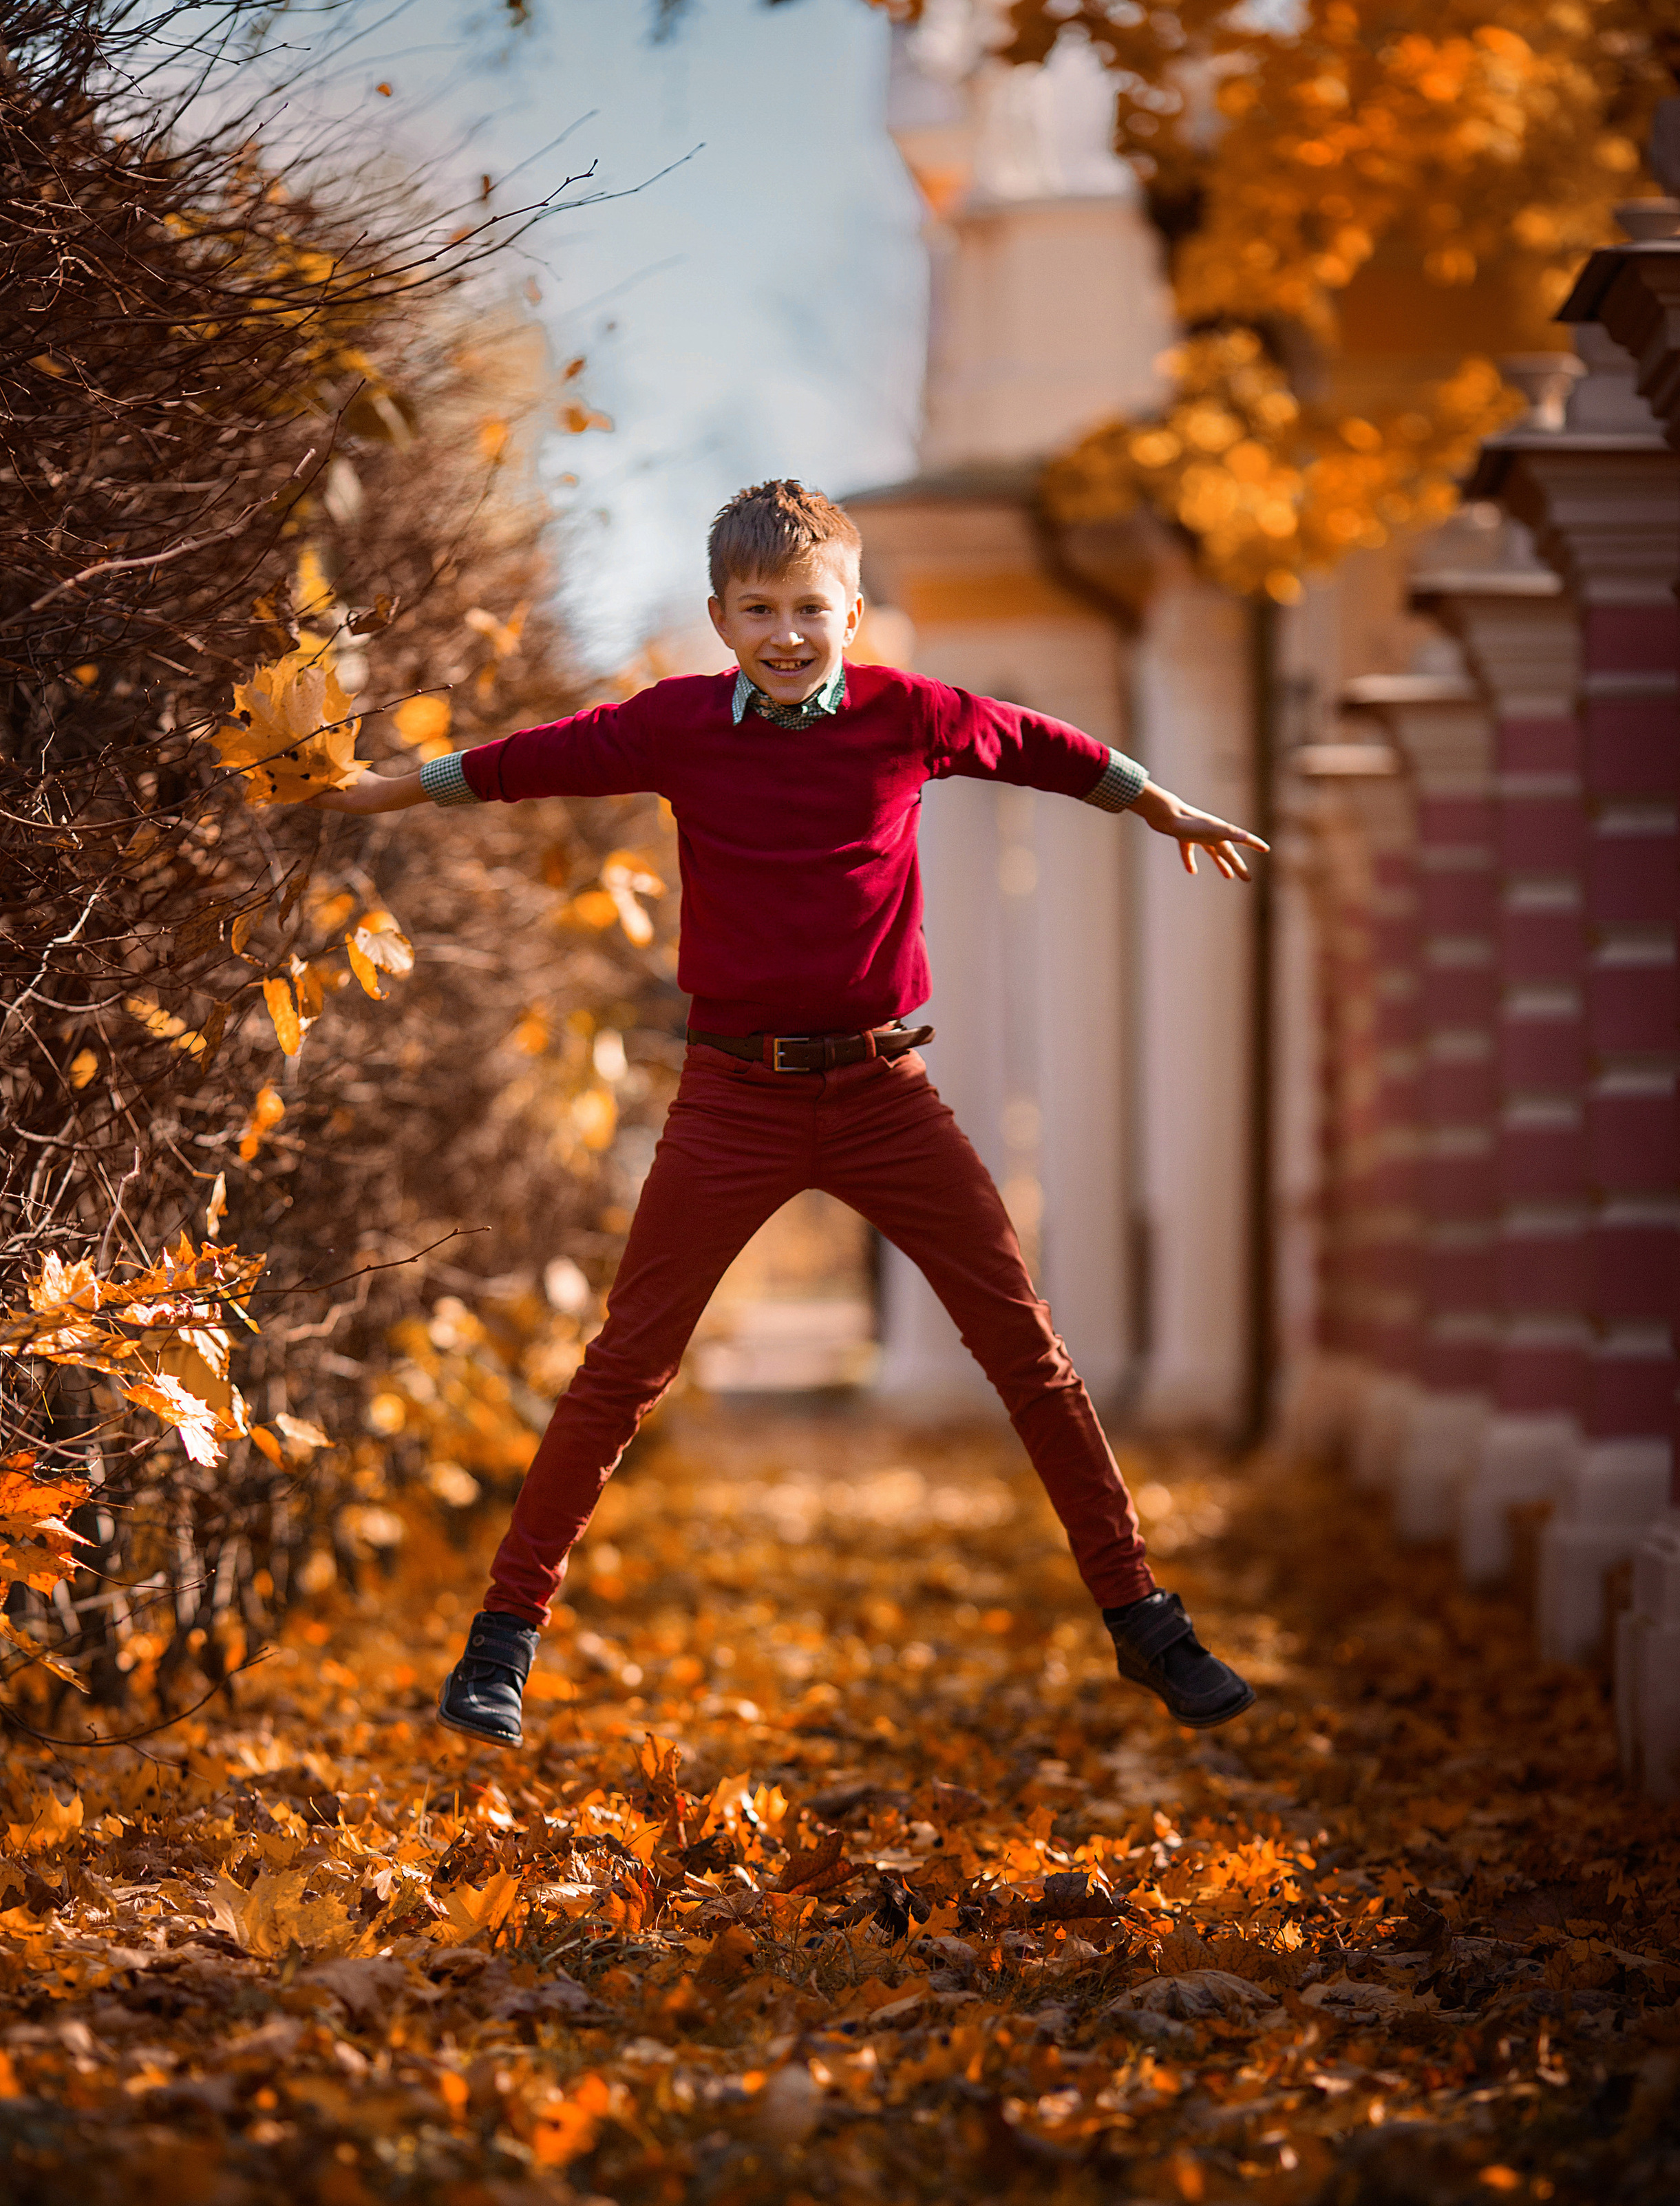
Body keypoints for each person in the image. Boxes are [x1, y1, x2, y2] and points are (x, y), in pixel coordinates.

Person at [319, 479, 1266, 1752]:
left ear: (852, 613)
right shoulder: (673, 726)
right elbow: (527, 762)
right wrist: (384, 790)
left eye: (810, 609)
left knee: (1029, 1355)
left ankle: (1143, 1618)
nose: (786, 634)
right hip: (734, 1098)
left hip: (885, 1096)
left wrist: (1155, 801)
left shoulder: (905, 715)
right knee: (623, 1367)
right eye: (758, 610)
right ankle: (501, 1641)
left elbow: (1038, 744)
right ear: (720, 619)